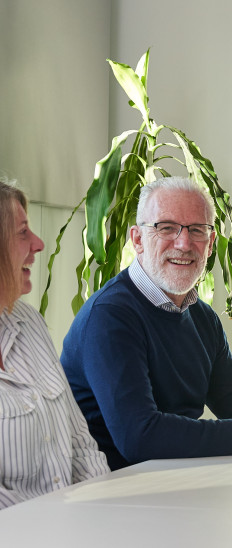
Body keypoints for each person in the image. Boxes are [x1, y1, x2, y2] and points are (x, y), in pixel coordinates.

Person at [61, 177, 232, 470]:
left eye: (197, 230)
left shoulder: (202, 317)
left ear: (211, 243)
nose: (184, 243)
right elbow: (139, 438)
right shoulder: (109, 317)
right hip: (109, 495)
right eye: (166, 228)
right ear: (137, 240)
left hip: (171, 483)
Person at [0, 179, 109, 508]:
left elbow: (79, 442)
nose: (39, 243)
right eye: (22, 233)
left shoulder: (30, 322)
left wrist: (106, 509)